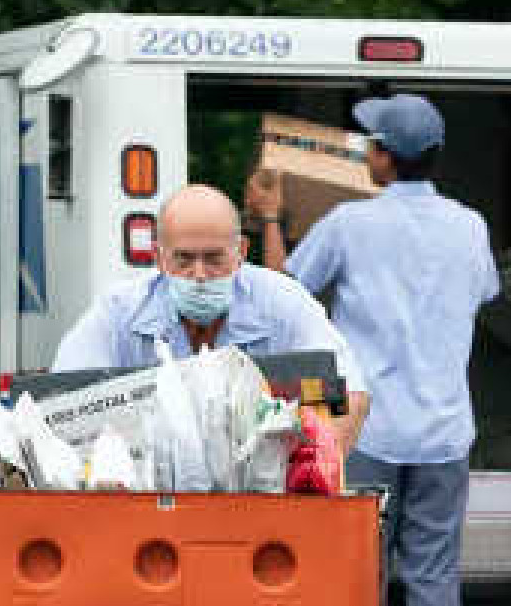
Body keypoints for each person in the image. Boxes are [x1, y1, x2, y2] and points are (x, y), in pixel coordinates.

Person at [246, 94, 499, 606]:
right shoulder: (471, 226)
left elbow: (283, 293)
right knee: (433, 572)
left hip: (368, 431)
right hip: (445, 433)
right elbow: (487, 291)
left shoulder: (350, 223)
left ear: (383, 158)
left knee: (358, 567)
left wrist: (269, 218)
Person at [52, 183, 369, 452]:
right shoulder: (119, 312)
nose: (199, 275)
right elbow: (60, 402)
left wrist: (313, 466)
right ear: (159, 258)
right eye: (184, 259)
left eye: (214, 258)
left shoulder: (284, 304)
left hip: (264, 500)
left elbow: (349, 395)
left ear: (241, 251)